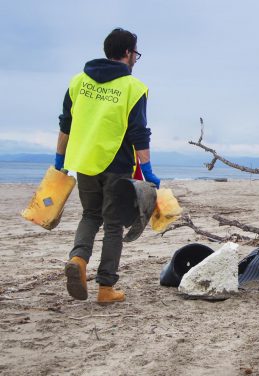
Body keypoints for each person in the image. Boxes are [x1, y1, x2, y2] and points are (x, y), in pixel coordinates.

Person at [55, 28, 160, 304]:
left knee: (90, 215)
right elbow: (139, 132)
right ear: (127, 53)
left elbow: (66, 124)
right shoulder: (133, 88)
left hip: (84, 161)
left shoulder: (78, 82)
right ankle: (105, 288)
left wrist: (59, 160)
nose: (135, 59)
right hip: (116, 162)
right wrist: (147, 172)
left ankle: (78, 258)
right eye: (135, 53)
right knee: (113, 225)